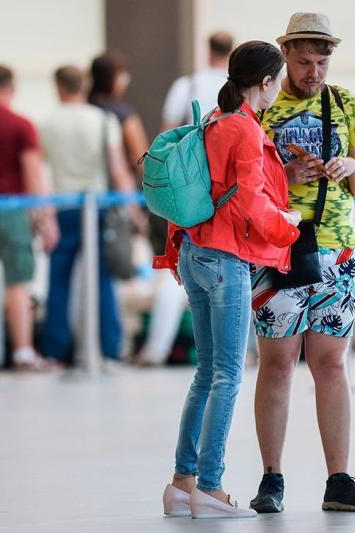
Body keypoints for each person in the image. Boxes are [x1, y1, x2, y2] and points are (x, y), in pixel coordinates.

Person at [155, 41, 301, 519]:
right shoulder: (244, 128)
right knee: (228, 375)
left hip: (195, 253)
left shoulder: (215, 121)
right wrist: (288, 226)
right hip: (226, 260)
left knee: (206, 372)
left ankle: (182, 483)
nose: (280, 88)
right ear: (266, 83)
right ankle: (211, 488)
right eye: (279, 80)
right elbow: (248, 202)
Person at [249, 12, 355, 514]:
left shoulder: (347, 104)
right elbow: (244, 186)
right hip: (277, 248)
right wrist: (284, 176)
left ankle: (338, 479)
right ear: (285, 54)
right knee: (278, 362)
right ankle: (271, 477)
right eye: (304, 62)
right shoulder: (261, 107)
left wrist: (352, 168)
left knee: (331, 363)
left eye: (322, 63)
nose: (314, 72)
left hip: (337, 250)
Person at [134, 32, 234, 367]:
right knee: (237, 265)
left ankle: (156, 349)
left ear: (208, 51)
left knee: (178, 260)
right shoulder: (237, 87)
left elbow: (166, 137)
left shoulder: (187, 85)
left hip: (189, 188)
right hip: (229, 188)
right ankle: (240, 350)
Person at [0, 65, 59, 371]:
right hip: (10, 211)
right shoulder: (21, 125)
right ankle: (22, 351)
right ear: (12, 87)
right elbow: (33, 174)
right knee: (17, 281)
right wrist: (45, 219)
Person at [38, 66, 138, 365]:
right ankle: (109, 347)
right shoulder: (103, 120)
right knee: (103, 278)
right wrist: (134, 210)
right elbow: (118, 168)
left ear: (59, 87)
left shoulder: (46, 123)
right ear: (84, 86)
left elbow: (41, 171)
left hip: (62, 207)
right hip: (97, 207)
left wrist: (43, 215)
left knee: (58, 279)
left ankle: (55, 349)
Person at [89, 51, 149, 175]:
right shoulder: (124, 115)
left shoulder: (87, 108)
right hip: (119, 183)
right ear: (112, 78)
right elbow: (142, 159)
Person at [161, 31, 233, 130]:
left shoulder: (187, 83)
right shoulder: (240, 86)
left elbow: (169, 126)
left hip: (197, 138)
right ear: (231, 52)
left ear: (210, 52)